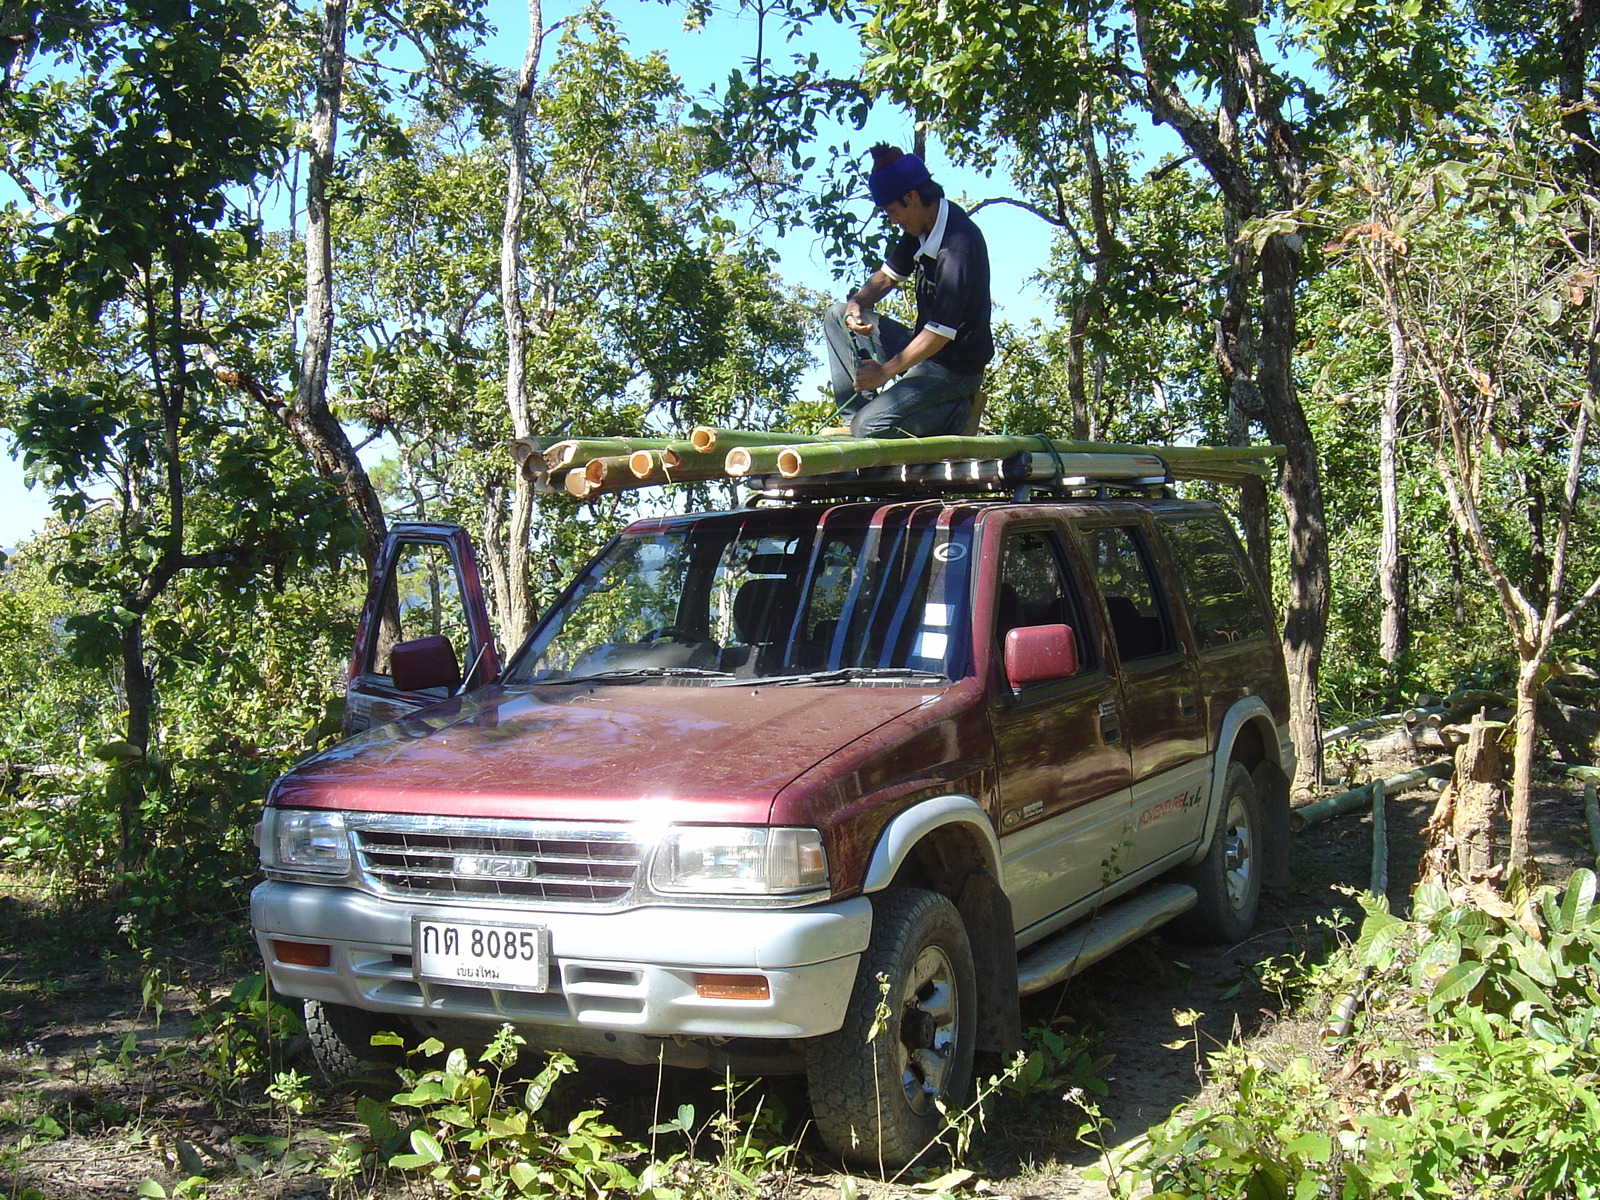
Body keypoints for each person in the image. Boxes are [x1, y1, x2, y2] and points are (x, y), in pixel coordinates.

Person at [824, 144, 993, 439]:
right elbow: (887, 278)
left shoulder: (958, 245)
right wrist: (856, 304)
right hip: (922, 351)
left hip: (954, 371)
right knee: (836, 315)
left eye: (892, 211)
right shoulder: (922, 228)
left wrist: (885, 371)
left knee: (871, 427)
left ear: (911, 197)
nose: (893, 220)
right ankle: (853, 421)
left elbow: (940, 334)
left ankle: (954, 413)